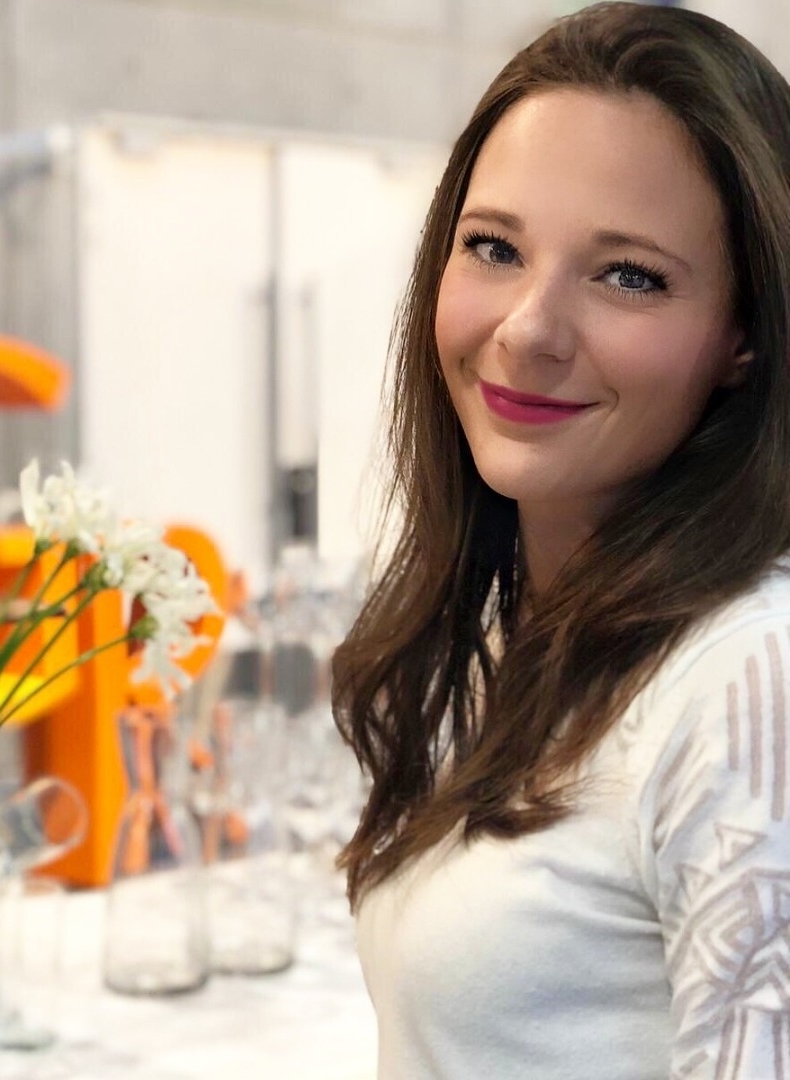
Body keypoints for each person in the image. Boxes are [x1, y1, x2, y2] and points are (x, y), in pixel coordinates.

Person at [332, 4, 790, 1078]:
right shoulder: (522, 624)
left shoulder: (748, 679)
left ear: (745, 337)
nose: (529, 329)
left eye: (629, 275)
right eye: (494, 248)